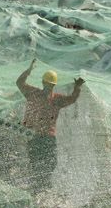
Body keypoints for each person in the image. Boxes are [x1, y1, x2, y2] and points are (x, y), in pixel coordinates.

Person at [16, 58, 85, 192]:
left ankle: (40, 189)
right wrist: (77, 87)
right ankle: (41, 189)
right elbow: (72, 98)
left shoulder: (34, 94)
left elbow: (19, 82)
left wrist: (29, 71)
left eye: (49, 85)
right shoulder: (53, 98)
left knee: (42, 166)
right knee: (46, 166)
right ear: (53, 85)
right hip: (44, 138)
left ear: (44, 83)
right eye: (49, 84)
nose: (48, 87)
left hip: (39, 138)